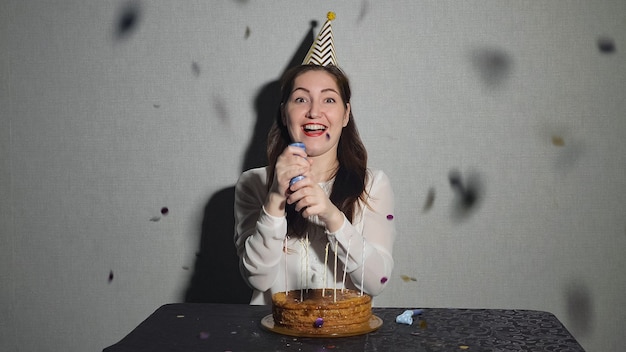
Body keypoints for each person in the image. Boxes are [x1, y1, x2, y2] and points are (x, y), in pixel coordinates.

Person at [234, 13, 396, 305]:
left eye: (329, 99)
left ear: (345, 114)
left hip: (346, 340)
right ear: (285, 114)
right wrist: (274, 200)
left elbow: (377, 281)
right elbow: (256, 278)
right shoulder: (254, 183)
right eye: (301, 99)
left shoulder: (373, 185)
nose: (314, 112)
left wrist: (331, 216)